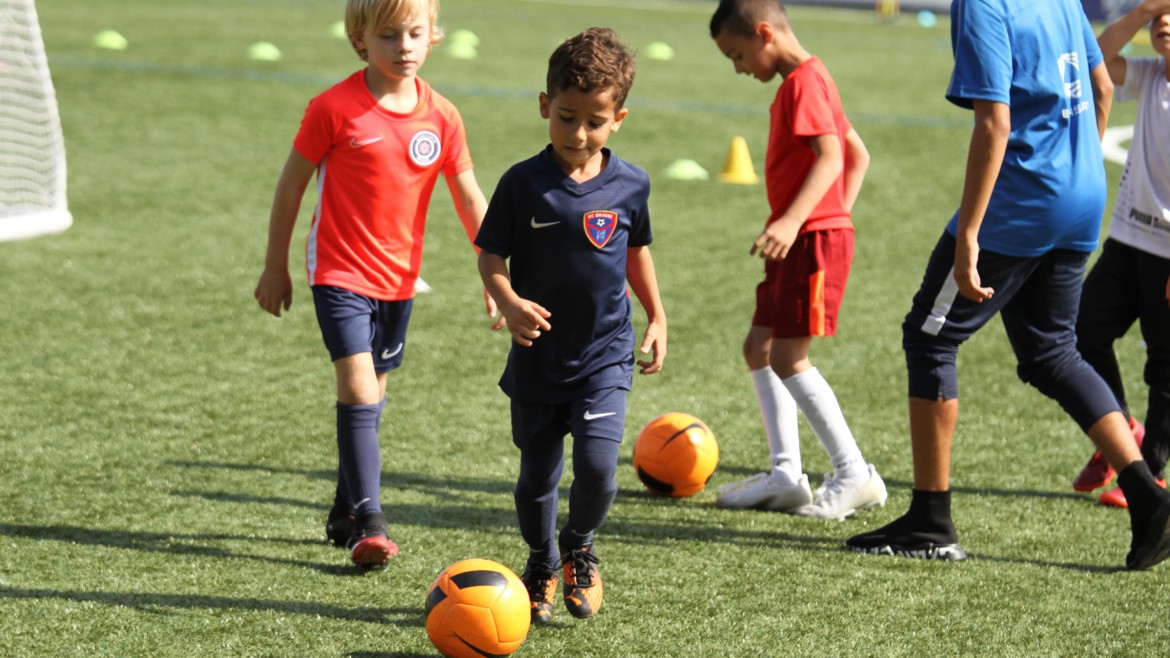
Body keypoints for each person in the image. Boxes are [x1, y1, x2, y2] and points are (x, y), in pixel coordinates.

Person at [845, 0, 1170, 570]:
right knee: (1052, 352)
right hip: (1080, 196)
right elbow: (1100, 85)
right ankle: (1148, 494)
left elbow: (994, 121)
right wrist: (1077, 173)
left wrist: (970, 231)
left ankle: (931, 520)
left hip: (1021, 204)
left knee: (929, 337)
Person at [253, 0, 494, 570]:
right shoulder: (333, 108)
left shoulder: (443, 117)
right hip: (337, 272)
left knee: (374, 397)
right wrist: (274, 264)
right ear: (360, 40)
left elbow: (468, 197)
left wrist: (496, 271)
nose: (404, 46)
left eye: (415, 33)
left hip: (399, 280)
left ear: (434, 37)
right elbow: (290, 186)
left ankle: (343, 506)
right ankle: (371, 524)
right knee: (360, 388)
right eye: (389, 36)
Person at [476, 27, 666, 624]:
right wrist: (506, 301)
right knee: (537, 476)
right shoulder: (521, 183)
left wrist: (658, 314)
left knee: (601, 467)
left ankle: (580, 546)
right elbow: (490, 255)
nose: (578, 133)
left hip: (606, 352)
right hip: (538, 356)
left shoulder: (631, 184)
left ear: (619, 119)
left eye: (594, 120)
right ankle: (541, 559)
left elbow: (636, 250)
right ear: (543, 106)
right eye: (565, 117)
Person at [708, 0, 886, 520]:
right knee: (758, 347)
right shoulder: (809, 77)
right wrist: (832, 213)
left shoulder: (804, 82)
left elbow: (833, 155)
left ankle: (854, 472)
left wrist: (803, 221)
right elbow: (859, 154)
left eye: (738, 55)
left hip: (808, 239)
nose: (739, 68)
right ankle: (787, 476)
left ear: (765, 34)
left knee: (787, 356)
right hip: (805, 235)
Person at [1071, 0, 1170, 508]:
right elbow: (1095, 60)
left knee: (1165, 363)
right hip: (1129, 240)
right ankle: (1119, 432)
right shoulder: (1151, 75)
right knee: (1083, 330)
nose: (1164, 26)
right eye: (1160, 20)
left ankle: (1149, 475)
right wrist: (1141, 12)